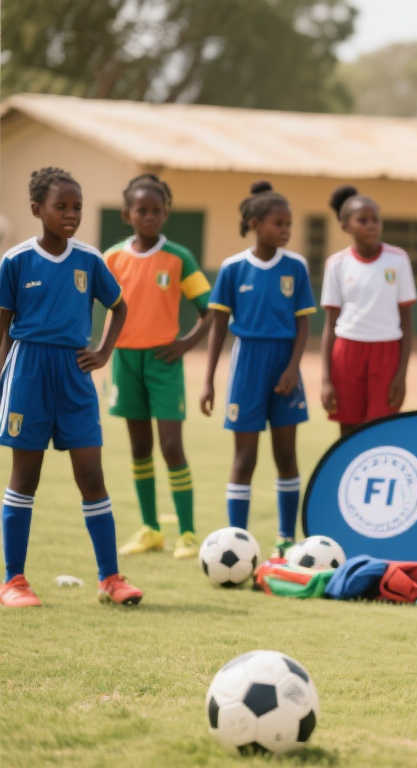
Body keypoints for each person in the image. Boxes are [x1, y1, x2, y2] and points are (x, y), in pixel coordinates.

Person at [0, 167, 143, 607]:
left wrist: (103, 352)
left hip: (75, 374)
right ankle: (14, 581)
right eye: (60, 206)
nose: (71, 214)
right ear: (36, 209)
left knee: (91, 474)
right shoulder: (15, 261)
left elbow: (119, 307)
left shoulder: (90, 260)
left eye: (77, 207)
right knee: (26, 476)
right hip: (27, 369)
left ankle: (110, 579)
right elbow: (2, 330)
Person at [200, 182, 316, 558]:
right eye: (278, 223)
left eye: (289, 224)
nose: (286, 230)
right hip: (247, 364)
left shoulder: (295, 267)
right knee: (244, 458)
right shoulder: (233, 268)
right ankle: (238, 538)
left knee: (286, 455)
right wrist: (208, 381)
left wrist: (292, 368)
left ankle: (285, 538)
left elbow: (303, 324)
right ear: (255, 224)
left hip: (284, 364)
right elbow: (218, 328)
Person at [104, 174, 212, 560]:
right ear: (127, 214)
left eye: (156, 210)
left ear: (166, 214)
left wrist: (185, 343)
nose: (149, 217)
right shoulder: (112, 258)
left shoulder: (179, 257)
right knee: (139, 447)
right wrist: (99, 349)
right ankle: (150, 529)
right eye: (141, 210)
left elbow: (210, 310)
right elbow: (96, 305)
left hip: (164, 363)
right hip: (125, 361)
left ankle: (188, 533)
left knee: (171, 445)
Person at [320, 186, 415, 436]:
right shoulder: (337, 264)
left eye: (375, 220)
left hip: (386, 351)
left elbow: (406, 323)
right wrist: (326, 379)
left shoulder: (398, 259)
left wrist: (401, 375)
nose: (371, 225)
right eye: (363, 220)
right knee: (348, 428)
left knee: (380, 428)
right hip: (347, 351)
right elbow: (329, 325)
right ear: (345, 226)